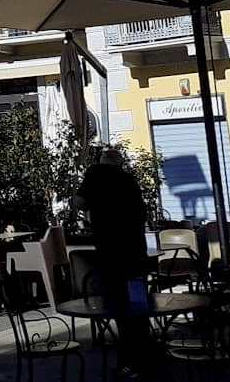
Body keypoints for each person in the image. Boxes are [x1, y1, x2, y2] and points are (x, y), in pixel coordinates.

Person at [69, 146, 151, 375]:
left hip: (112, 253)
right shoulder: (129, 181)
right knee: (137, 304)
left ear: (103, 160)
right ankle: (144, 356)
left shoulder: (96, 173)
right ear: (121, 163)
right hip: (135, 252)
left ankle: (130, 360)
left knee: (120, 305)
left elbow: (79, 202)